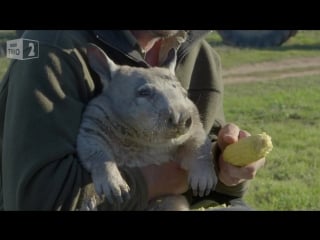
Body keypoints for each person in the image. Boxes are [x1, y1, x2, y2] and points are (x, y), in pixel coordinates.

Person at [0, 30, 265, 210]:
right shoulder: (49, 48)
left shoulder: (199, 55)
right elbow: (35, 200)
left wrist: (227, 168)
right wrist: (158, 180)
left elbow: (211, 187)